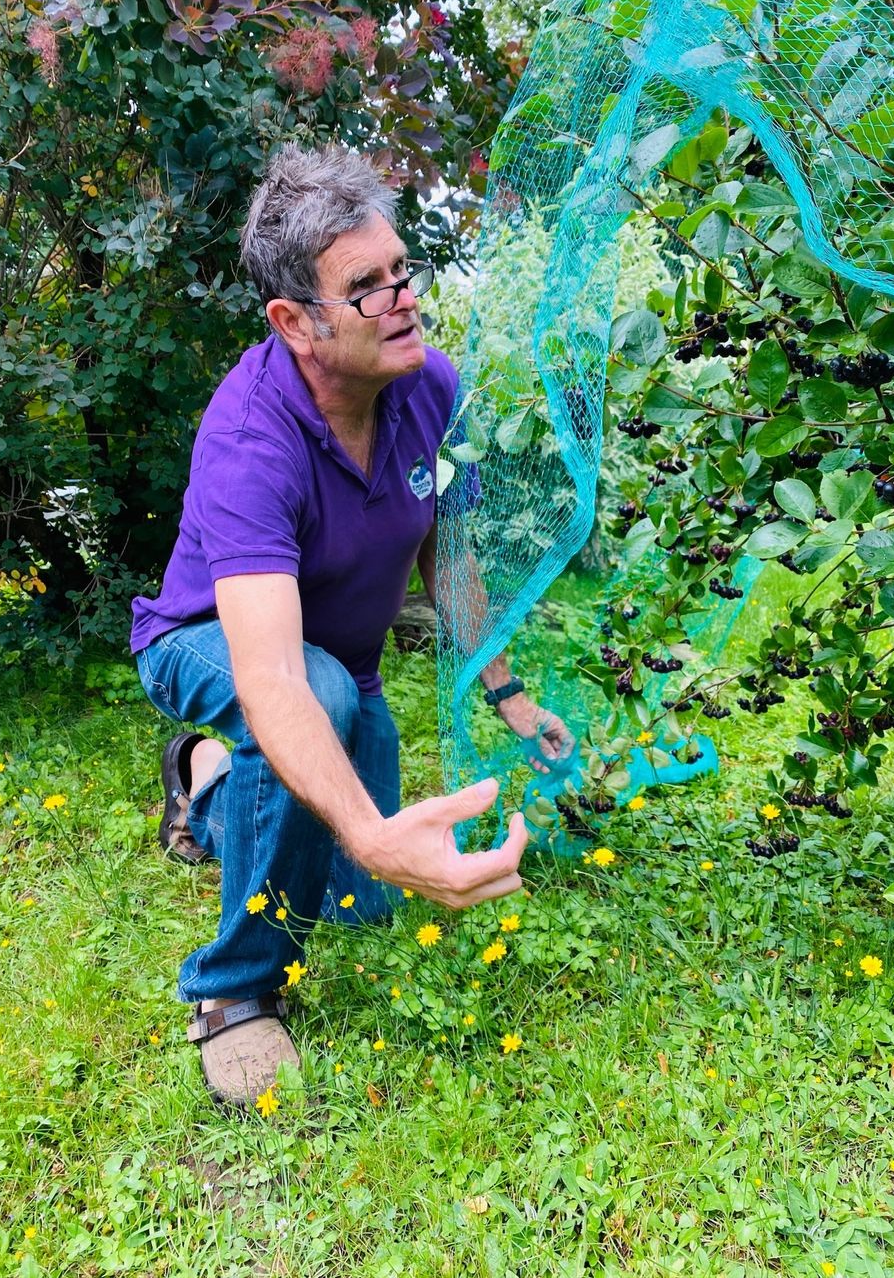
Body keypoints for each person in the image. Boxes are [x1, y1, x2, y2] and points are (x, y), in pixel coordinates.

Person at [131, 144, 573, 1108]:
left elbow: (444, 553)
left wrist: (512, 695)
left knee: (359, 910)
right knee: (322, 727)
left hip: (339, 669)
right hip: (212, 645)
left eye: (401, 271)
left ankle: (201, 783)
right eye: (365, 287)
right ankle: (235, 992)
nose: (403, 298)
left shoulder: (427, 387)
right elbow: (277, 683)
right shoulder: (250, 437)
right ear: (295, 321)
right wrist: (373, 832)